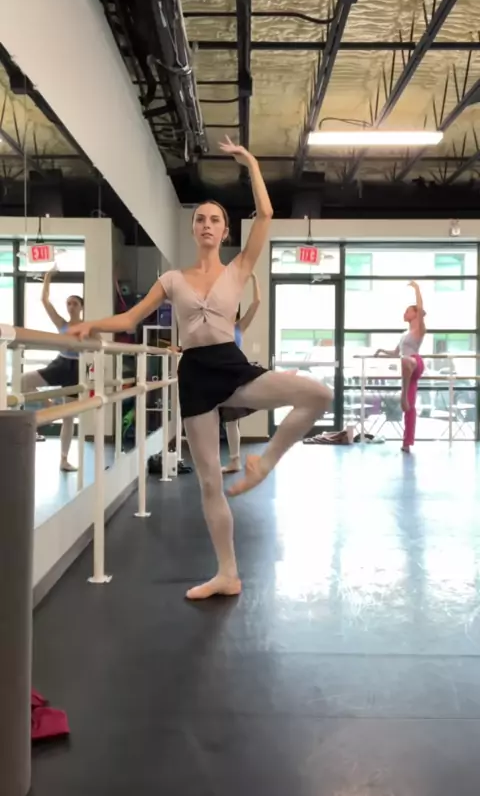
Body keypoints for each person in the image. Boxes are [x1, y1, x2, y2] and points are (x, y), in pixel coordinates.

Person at [70, 136, 332, 600]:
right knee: (210, 481)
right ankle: (227, 573)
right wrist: (91, 324)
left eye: (214, 220)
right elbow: (130, 320)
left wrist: (251, 162)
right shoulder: (172, 279)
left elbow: (266, 214)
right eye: (200, 219)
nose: (207, 225)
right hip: (194, 374)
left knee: (318, 394)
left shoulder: (238, 269)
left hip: (231, 366)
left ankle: (265, 463)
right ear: (193, 231)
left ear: (225, 231)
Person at [21, 266, 83, 471]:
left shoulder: (87, 326)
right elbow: (45, 300)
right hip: (60, 363)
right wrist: (48, 277)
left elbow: (99, 344)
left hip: (75, 369)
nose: (71, 306)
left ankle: (64, 460)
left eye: (75, 303)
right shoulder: (61, 323)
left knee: (69, 416)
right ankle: (48, 404)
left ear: (81, 307)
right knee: (25, 380)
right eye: (68, 303)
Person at [374, 280, 426, 453]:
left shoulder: (419, 330)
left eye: (408, 311)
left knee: (405, 361)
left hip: (415, 363)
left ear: (416, 314)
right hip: (406, 368)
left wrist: (416, 289)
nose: (405, 313)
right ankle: (407, 443)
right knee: (410, 407)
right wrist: (381, 351)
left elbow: (420, 307)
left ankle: (403, 395)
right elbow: (396, 353)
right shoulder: (404, 334)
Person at [222, 271, 261, 474]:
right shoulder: (215, 327)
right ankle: (226, 461)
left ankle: (234, 461)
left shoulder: (239, 327)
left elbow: (256, 303)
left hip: (233, 376)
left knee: (231, 420)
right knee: (208, 420)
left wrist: (253, 279)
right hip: (216, 375)